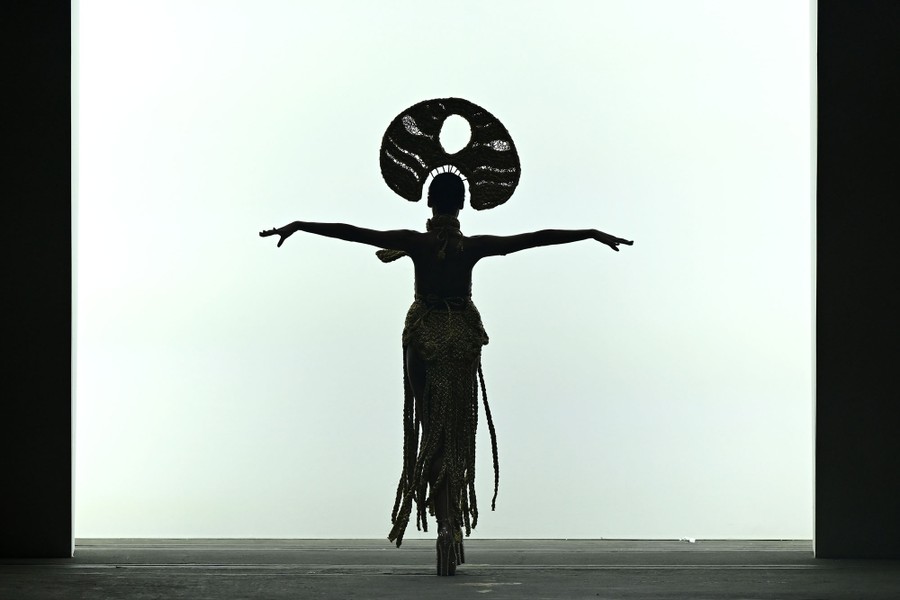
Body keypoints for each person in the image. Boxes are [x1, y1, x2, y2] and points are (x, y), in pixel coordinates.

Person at [260, 171, 632, 575]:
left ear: (428, 202)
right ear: (464, 204)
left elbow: (353, 233)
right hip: (461, 339)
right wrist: (590, 233)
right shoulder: (472, 248)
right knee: (455, 431)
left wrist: (299, 226)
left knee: (430, 428)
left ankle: (444, 524)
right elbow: (531, 239)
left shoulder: (415, 243)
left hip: (423, 337)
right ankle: (451, 521)